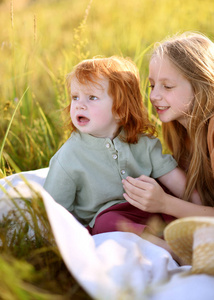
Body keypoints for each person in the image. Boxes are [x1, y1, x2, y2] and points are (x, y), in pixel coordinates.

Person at [43, 55, 199, 240]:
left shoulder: (142, 143)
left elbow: (176, 181)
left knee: (170, 195)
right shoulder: (69, 157)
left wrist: (200, 206)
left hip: (151, 209)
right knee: (107, 223)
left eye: (92, 97)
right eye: (75, 97)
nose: (79, 105)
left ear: (120, 109)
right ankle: (173, 251)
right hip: (112, 218)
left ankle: (191, 236)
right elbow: (53, 208)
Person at [122, 32, 214, 236]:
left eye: (168, 86)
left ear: (201, 85)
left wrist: (164, 204)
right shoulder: (179, 131)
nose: (153, 96)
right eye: (152, 85)